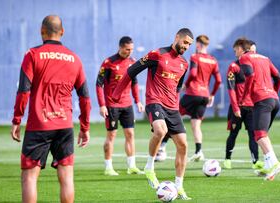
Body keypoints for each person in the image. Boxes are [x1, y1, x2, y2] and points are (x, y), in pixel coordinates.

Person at [10, 15, 91, 203]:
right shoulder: (75, 59)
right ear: (62, 32)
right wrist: (85, 127)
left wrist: (16, 120)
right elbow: (85, 98)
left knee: (29, 178)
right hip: (64, 125)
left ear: (41, 31)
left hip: (39, 124)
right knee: (67, 177)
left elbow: (23, 91)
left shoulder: (32, 55)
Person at [112, 28, 194, 200]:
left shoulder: (184, 64)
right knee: (160, 131)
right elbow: (131, 71)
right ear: (176, 37)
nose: (186, 46)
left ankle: (179, 186)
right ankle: (149, 167)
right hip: (154, 101)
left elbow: (178, 88)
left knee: (183, 146)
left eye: (189, 44)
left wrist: (177, 107)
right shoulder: (156, 54)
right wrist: (117, 93)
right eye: (185, 42)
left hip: (172, 107)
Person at [156, 35, 222, 162]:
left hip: (193, 93)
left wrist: (185, 84)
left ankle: (162, 149)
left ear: (198, 44)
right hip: (204, 96)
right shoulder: (213, 60)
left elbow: (192, 73)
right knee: (196, 125)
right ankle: (198, 151)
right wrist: (212, 95)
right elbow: (218, 80)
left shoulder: (195, 57)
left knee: (171, 119)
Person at [96, 36, 144, 176]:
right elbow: (99, 85)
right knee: (112, 135)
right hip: (112, 105)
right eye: (127, 49)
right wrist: (102, 105)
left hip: (127, 105)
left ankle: (132, 166)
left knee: (130, 134)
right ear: (121, 47)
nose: (130, 52)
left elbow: (134, 83)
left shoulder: (133, 62)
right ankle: (108, 167)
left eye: (132, 49)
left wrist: (138, 101)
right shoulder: (108, 63)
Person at [237, 37, 280, 180]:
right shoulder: (265, 58)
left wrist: (246, 95)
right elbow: (279, 77)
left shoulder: (244, 58)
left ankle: (274, 163)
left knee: (259, 135)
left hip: (262, 101)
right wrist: (273, 92)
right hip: (274, 100)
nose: (236, 53)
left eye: (235, 50)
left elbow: (250, 75)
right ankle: (269, 166)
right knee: (261, 134)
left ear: (241, 48)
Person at [224, 39, 263, 170]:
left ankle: (255, 161)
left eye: (254, 50)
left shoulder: (254, 66)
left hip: (252, 108)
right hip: (238, 108)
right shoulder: (233, 67)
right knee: (233, 134)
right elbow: (231, 89)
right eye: (251, 50)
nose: (253, 53)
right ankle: (227, 159)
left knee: (253, 135)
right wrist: (235, 108)